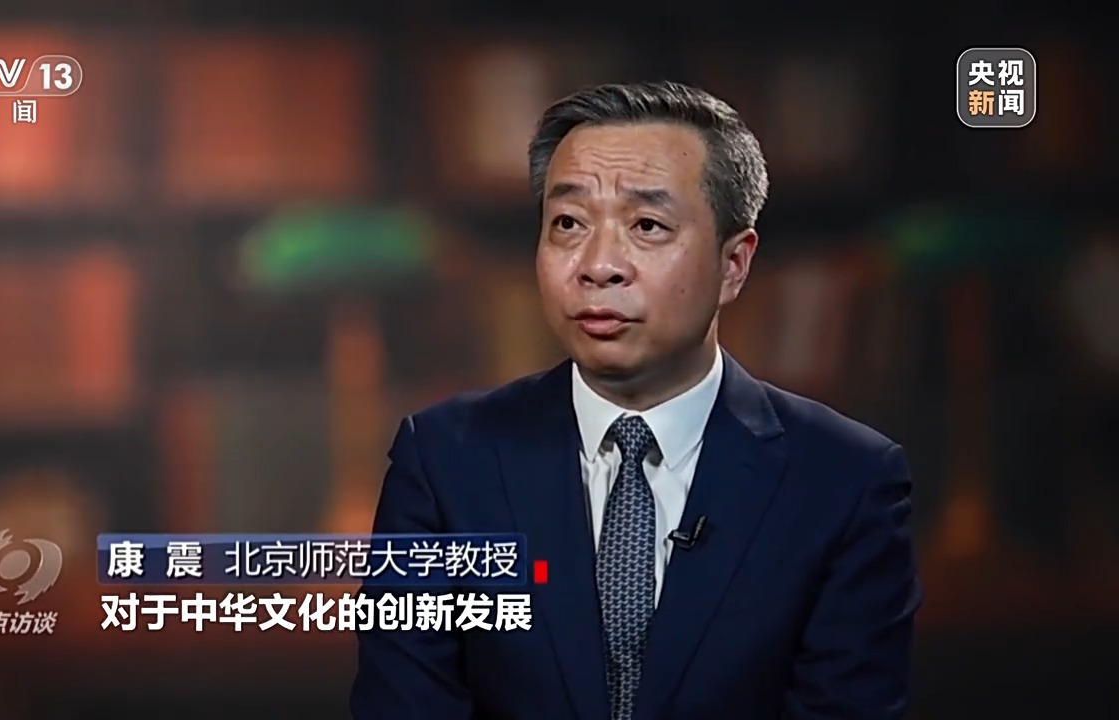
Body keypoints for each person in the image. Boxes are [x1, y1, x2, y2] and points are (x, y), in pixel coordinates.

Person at [350, 80, 921, 720]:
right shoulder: (444, 463)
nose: (599, 266)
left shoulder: (845, 480)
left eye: (647, 226)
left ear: (734, 264)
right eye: (568, 224)